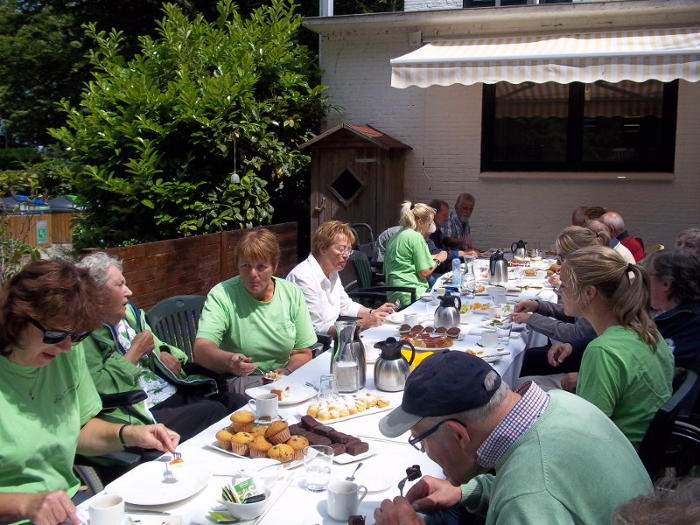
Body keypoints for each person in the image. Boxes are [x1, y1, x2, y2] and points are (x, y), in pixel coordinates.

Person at [374, 351, 652, 525]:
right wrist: (465, 491)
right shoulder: (561, 402)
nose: (424, 451)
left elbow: (534, 491)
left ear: (458, 434)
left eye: (420, 440)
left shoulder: (528, 497)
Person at [0, 259, 178, 525]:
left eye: (77, 336)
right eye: (55, 335)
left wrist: (131, 434)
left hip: (69, 508)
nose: (66, 348)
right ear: (17, 318)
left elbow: (80, 430)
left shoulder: (67, 353)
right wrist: (24, 504)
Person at [76, 253, 248, 442]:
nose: (129, 291)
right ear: (96, 293)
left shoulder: (130, 316)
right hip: (142, 411)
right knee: (215, 412)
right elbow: (99, 391)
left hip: (173, 387)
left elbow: (157, 344)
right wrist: (134, 353)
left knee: (240, 404)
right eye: (120, 285)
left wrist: (164, 352)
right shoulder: (85, 337)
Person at [557, 245, 673, 446]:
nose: (559, 292)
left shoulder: (602, 351)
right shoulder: (647, 330)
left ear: (589, 293)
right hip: (641, 446)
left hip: (619, 455)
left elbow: (587, 434)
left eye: (564, 286)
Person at [193, 228, 316, 392]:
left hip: (284, 378)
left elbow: (304, 352)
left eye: (261, 267)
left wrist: (287, 372)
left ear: (274, 266)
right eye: (245, 266)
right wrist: (229, 361)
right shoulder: (222, 295)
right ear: (237, 266)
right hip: (239, 381)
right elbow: (201, 350)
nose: (253, 274)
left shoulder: (292, 293)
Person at [513, 226, 601, 378]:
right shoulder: (590, 275)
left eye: (561, 258)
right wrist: (539, 306)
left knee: (526, 360)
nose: (558, 264)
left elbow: (578, 333)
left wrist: (532, 319)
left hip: (588, 356)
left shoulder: (592, 283)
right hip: (586, 348)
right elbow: (574, 316)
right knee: (529, 356)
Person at [286, 221, 395, 335]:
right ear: (322, 248)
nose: (346, 255)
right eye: (341, 249)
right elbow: (315, 329)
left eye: (348, 250)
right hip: (312, 346)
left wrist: (373, 312)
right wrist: (362, 324)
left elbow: (345, 305)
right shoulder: (303, 277)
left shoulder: (332, 271)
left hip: (332, 336)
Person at [645, 250, 700, 372]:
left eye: (647, 275)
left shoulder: (691, 325)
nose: (643, 282)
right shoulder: (674, 318)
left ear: (666, 284)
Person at [383, 201, 446, 307]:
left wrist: (433, 257)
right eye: (429, 223)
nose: (430, 227)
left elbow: (408, 261)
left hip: (394, 293)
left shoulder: (397, 236)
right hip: (411, 293)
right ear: (421, 222)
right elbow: (424, 272)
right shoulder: (415, 237)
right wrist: (439, 259)